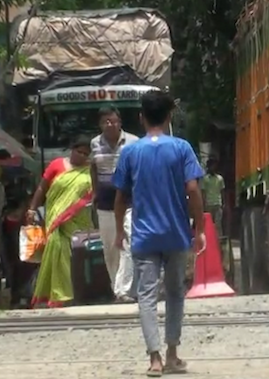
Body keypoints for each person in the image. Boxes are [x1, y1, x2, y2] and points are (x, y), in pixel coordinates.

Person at [112, 90, 205, 377]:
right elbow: (193, 190)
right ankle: (173, 353)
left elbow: (120, 197)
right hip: (176, 234)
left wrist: (118, 231)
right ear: (168, 117)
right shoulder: (181, 148)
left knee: (147, 296)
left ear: (141, 118)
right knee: (176, 292)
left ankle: (154, 359)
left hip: (144, 236)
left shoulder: (130, 152)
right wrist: (198, 228)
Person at [26, 136, 95, 308]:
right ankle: (59, 294)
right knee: (56, 249)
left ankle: (77, 292)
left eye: (86, 154)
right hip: (56, 218)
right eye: (80, 152)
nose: (82, 156)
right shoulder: (56, 165)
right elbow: (42, 187)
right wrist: (32, 209)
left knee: (77, 255)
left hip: (79, 219)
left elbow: (94, 193)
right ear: (72, 149)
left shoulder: (89, 170)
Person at [90, 106, 139, 303]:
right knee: (110, 248)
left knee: (127, 243)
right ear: (100, 124)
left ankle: (124, 290)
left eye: (113, 121)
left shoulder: (133, 142)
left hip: (129, 201)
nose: (110, 124)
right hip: (105, 202)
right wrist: (94, 192)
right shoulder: (95, 143)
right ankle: (116, 288)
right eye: (105, 121)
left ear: (120, 122)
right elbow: (93, 169)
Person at [200, 158, 226, 237]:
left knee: (218, 225)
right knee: (208, 225)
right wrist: (203, 206)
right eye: (211, 166)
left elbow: (222, 192)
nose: (213, 168)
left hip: (218, 204)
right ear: (208, 167)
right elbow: (203, 193)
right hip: (208, 205)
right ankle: (209, 240)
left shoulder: (220, 179)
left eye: (214, 166)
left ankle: (219, 241)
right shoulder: (205, 179)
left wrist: (224, 203)